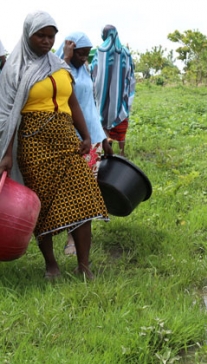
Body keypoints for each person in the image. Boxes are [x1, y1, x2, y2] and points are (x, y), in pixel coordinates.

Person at [0, 11, 109, 279]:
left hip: (67, 140)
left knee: (84, 197)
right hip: (34, 143)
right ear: (28, 35)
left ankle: (84, 266)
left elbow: (72, 102)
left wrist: (85, 136)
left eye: (51, 36)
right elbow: (8, 114)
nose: (47, 41)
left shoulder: (60, 65)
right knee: (44, 205)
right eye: (41, 36)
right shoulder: (15, 69)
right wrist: (6, 153)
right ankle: (51, 265)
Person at [56, 32, 114, 255]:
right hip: (71, 139)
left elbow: (91, 107)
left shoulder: (85, 70)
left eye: (86, 54)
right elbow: (60, 87)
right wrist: (67, 58)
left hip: (91, 141)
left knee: (86, 190)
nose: (84, 58)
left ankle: (79, 235)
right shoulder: (61, 69)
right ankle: (71, 237)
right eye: (80, 53)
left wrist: (102, 138)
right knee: (73, 190)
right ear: (70, 49)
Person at [90, 25, 135, 157]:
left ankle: (106, 147)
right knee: (121, 122)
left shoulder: (100, 51)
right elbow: (131, 75)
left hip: (102, 95)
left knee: (103, 121)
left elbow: (94, 73)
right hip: (121, 96)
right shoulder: (126, 52)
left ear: (104, 35)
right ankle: (122, 152)